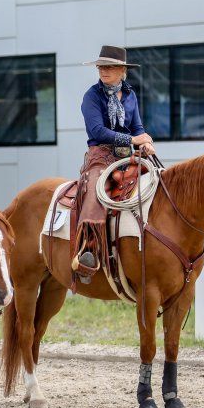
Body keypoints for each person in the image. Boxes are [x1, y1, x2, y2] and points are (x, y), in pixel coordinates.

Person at [73, 45, 157, 283]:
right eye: (101, 66)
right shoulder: (92, 96)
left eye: (109, 66)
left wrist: (145, 143)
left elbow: (138, 127)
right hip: (100, 155)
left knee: (156, 181)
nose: (103, 70)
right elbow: (97, 131)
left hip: (126, 156)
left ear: (122, 70)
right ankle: (87, 252)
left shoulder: (130, 95)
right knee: (95, 194)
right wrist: (133, 139)